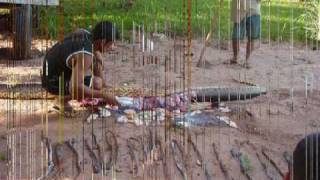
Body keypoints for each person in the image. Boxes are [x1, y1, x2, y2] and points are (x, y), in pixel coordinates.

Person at [42, 21, 119, 106]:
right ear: (103, 42)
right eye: (111, 44)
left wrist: (105, 88)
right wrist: (103, 95)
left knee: (98, 58)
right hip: (52, 82)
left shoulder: (88, 34)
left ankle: (95, 92)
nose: (112, 48)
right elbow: (75, 87)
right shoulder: (85, 54)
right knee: (96, 83)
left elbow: (96, 60)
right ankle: (61, 100)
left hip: (52, 73)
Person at [230, 0, 261, 68]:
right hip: (239, 10)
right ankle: (235, 57)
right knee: (236, 36)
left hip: (254, 10)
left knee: (252, 36)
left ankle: (247, 60)